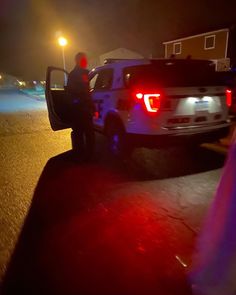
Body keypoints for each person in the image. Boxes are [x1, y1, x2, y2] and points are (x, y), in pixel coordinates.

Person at [67, 52, 95, 159]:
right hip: (80, 109)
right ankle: (83, 155)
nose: (86, 62)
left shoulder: (84, 73)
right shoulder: (76, 74)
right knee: (83, 133)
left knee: (85, 133)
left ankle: (83, 155)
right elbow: (75, 90)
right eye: (84, 60)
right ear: (78, 61)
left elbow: (87, 89)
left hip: (81, 108)